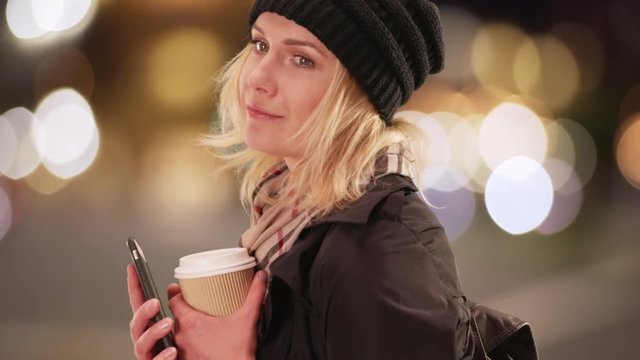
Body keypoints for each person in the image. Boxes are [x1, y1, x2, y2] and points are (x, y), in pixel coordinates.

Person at [127, 1, 538, 359]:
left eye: (301, 59)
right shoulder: (288, 221)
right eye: (260, 45)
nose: (257, 78)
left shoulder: (381, 247)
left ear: (356, 95)